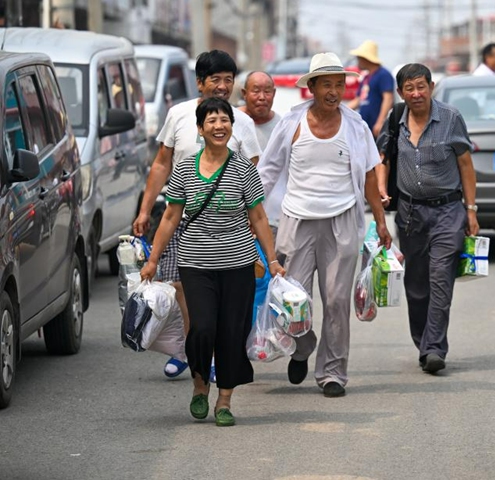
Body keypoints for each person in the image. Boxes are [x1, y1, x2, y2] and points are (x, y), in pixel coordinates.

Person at [140, 97, 284, 426]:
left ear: (232, 127)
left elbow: (258, 217)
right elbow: (171, 217)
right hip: (196, 263)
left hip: (238, 264)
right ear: (200, 129)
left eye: (225, 120)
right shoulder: (185, 167)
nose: (219, 126)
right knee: (202, 328)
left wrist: (272, 260)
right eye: (212, 121)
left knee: (232, 332)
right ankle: (200, 385)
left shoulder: (243, 168)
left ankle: (225, 400)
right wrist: (153, 259)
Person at [258, 52, 392, 398]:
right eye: (327, 85)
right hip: (297, 221)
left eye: (339, 84)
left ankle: (333, 373)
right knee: (293, 300)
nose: (334, 91)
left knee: (335, 301)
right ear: (312, 87)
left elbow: (367, 176)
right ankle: (303, 346)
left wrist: (380, 221)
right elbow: (268, 172)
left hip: (343, 219)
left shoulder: (356, 126)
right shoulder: (292, 123)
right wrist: (250, 215)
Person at [132, 50, 262, 379]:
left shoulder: (242, 122)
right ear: (200, 82)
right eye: (215, 80)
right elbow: (162, 162)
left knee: (220, 295)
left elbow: (252, 169)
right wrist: (146, 208)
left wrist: (247, 215)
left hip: (228, 226)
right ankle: (195, 349)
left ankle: (212, 355)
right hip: (184, 219)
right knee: (181, 287)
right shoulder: (178, 115)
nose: (222, 86)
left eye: (228, 81)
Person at [376, 63, 480, 374]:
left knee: (440, 279)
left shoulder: (450, 117)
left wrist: (471, 210)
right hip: (410, 214)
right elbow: (382, 159)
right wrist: (382, 191)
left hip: (448, 210)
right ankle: (423, 341)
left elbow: (465, 164)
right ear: (401, 92)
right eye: (410, 88)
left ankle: (435, 348)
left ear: (431, 87)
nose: (416, 93)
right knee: (416, 284)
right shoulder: (395, 119)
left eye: (421, 86)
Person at [239, 71, 283, 235]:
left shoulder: (284, 128)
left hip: (274, 220)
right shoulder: (229, 123)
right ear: (244, 93)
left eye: (267, 91)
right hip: (236, 220)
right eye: (256, 90)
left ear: (274, 93)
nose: (262, 97)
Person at [347, 40, 395, 138]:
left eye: (359, 58)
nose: (358, 62)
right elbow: (358, 100)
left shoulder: (383, 75)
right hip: (365, 126)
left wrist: (380, 122)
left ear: (366, 59)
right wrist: (339, 110)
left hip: (376, 128)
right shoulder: (366, 77)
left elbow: (388, 98)